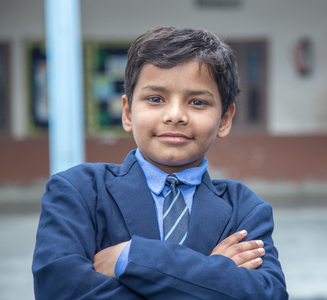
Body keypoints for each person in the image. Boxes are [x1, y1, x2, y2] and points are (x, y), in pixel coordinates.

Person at [32, 26, 288, 299]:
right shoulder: (78, 192)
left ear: (224, 119)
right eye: (155, 99)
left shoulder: (244, 209)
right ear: (128, 112)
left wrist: (133, 257)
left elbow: (268, 293)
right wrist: (216, 272)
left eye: (198, 102)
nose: (175, 115)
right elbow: (58, 290)